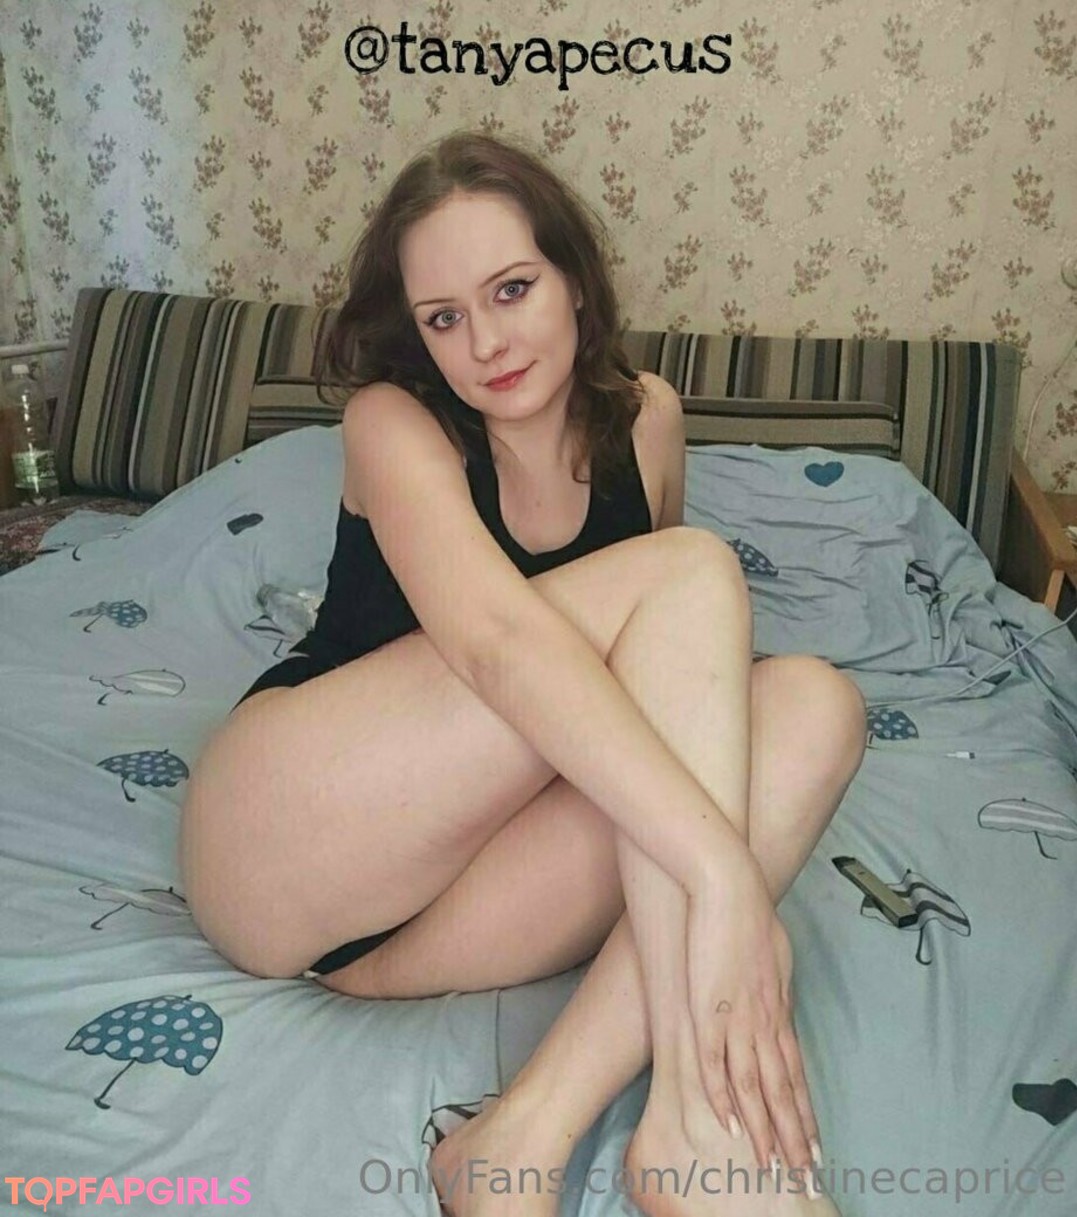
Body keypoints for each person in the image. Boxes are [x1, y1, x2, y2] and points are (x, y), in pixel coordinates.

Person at [179, 130, 866, 1216]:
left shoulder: (648, 421)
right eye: (444, 317)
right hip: (291, 838)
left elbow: (670, 686)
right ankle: (700, 1104)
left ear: (575, 282)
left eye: (511, 289)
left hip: (434, 918)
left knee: (817, 707)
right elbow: (499, 646)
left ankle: (525, 1139)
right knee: (693, 579)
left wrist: (707, 860)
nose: (486, 342)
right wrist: (726, 877)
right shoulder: (393, 421)